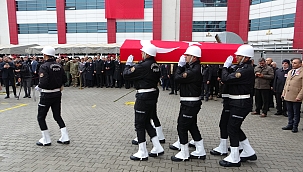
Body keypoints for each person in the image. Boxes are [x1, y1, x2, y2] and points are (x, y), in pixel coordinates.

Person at [123, 44, 164, 161]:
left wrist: (128, 65)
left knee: (139, 124)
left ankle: (142, 151)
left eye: (143, 52)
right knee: (146, 122)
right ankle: (157, 146)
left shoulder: (143, 65)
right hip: (152, 95)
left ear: (147, 53)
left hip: (143, 97)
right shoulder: (155, 65)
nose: (141, 54)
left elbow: (126, 75)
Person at [219, 44, 257, 167]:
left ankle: (235, 157)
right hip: (236, 102)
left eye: (239, 55)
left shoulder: (245, 70)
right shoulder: (241, 67)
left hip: (240, 103)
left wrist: (225, 67)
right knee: (235, 127)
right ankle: (248, 151)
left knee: (232, 128)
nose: (236, 57)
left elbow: (225, 79)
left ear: (246, 57)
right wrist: (228, 68)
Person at [170, 46, 206, 162]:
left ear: (194, 57)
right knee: (192, 126)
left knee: (182, 126)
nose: (185, 57)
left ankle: (184, 152)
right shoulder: (193, 67)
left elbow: (177, 78)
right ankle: (200, 150)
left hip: (190, 103)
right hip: (189, 102)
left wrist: (179, 66)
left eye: (188, 56)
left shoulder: (193, 71)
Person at [35, 46, 69, 146]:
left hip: (46, 94)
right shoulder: (59, 65)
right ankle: (65, 137)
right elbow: (65, 79)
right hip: (57, 93)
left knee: (41, 117)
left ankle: (46, 139)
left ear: (45, 55)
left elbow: (44, 82)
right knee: (57, 116)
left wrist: (39, 86)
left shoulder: (44, 66)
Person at [281, 58, 303, 133]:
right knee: (289, 111)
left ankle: (295, 126)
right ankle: (290, 124)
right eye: (292, 63)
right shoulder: (290, 72)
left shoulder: (302, 72)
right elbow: (286, 84)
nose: (293, 64)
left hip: (296, 96)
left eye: (295, 63)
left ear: (300, 64)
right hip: (288, 95)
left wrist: (300, 96)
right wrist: (283, 93)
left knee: (296, 112)